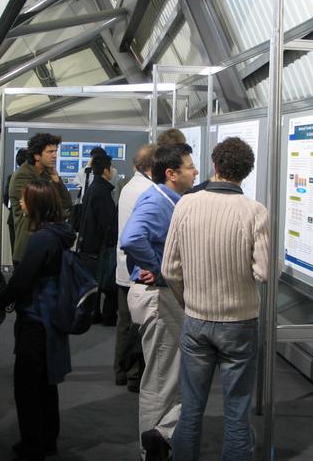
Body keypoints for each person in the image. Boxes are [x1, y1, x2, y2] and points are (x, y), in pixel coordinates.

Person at [162, 137, 270, 461]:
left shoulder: (186, 205)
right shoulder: (255, 211)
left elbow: (169, 269)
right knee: (237, 412)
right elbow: (265, 271)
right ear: (246, 172)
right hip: (240, 323)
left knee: (191, 408)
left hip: (196, 320)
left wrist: (188, 302)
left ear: (215, 165)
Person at [120, 143, 198, 461]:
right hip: (157, 298)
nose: (195, 171)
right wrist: (160, 270)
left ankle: (160, 441)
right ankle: (151, 447)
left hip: (159, 296)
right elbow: (131, 238)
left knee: (167, 377)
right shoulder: (156, 201)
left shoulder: (169, 199)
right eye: (190, 167)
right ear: (171, 173)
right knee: (160, 380)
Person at [0, 179, 75, 461]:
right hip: (51, 317)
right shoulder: (60, 233)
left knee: (28, 385)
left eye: (24, 198)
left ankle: (32, 444)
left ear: (36, 204)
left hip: (36, 318)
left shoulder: (41, 239)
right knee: (45, 383)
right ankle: (47, 438)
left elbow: (21, 281)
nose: (20, 202)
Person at [114, 144, 156, 393]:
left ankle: (121, 371)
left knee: (125, 322)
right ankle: (133, 374)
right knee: (136, 324)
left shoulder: (130, 186)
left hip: (125, 267)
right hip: (137, 268)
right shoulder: (147, 190)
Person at [8, 133, 72, 265]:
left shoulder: (48, 173)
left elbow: (67, 204)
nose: (55, 155)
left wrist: (57, 181)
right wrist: (60, 212)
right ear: (37, 156)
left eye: (55, 151)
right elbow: (41, 210)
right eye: (50, 152)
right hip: (29, 247)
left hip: (49, 246)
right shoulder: (22, 176)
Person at [77, 153, 118, 326]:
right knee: (109, 283)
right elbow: (108, 221)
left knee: (95, 282)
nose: (113, 171)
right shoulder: (102, 191)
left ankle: (95, 314)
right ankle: (107, 316)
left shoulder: (93, 187)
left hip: (89, 244)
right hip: (100, 246)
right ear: (106, 171)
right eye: (112, 168)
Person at [4, 148, 28, 252]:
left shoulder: (11, 177)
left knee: (16, 251)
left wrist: (14, 209)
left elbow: (5, 198)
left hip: (13, 218)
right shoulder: (34, 177)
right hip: (27, 221)